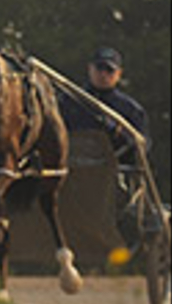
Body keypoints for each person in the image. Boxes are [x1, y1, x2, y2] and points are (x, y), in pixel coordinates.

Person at [59, 46, 152, 246]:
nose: (103, 74)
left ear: (119, 74)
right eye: (99, 68)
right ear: (89, 69)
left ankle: (124, 242)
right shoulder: (69, 101)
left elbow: (143, 148)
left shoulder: (130, 109)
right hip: (70, 174)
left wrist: (117, 133)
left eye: (109, 70)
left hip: (111, 177)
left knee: (125, 202)